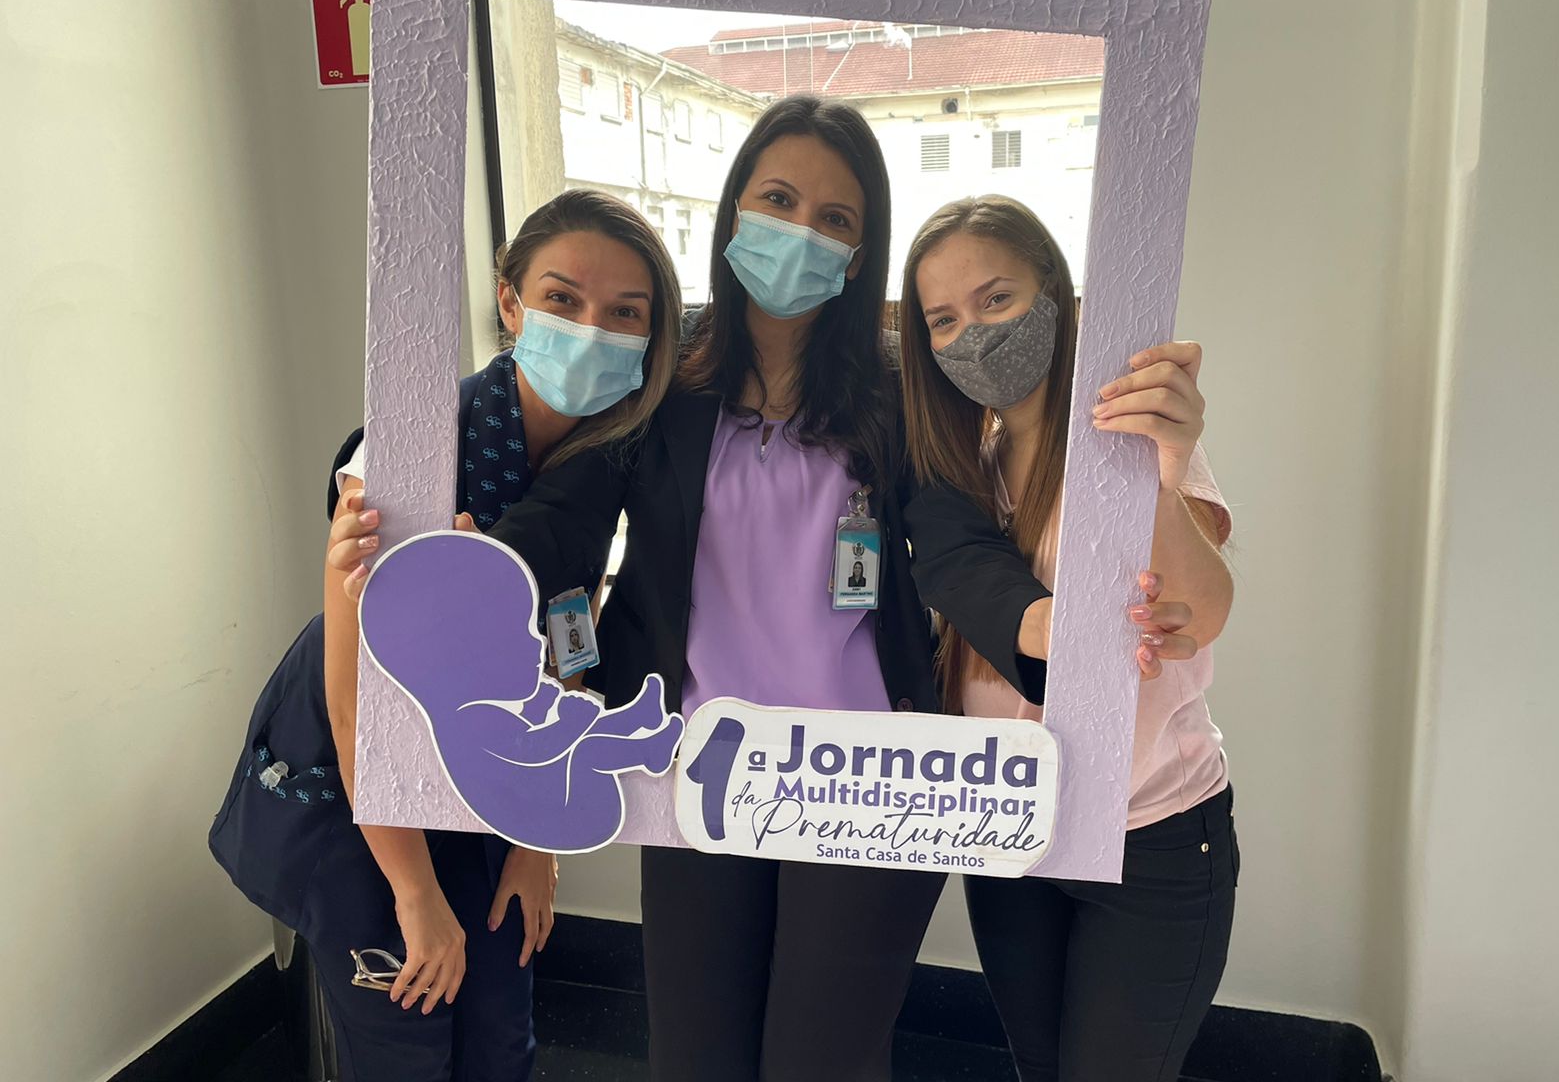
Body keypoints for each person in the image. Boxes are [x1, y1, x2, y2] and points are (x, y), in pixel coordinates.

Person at [461, 96, 1042, 1082]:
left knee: (821, 1063)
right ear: (734, 210)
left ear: (858, 256)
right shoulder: (666, 374)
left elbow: (952, 541)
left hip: (862, 773)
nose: (800, 231)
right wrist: (471, 574)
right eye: (778, 200)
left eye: (834, 217)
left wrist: (1036, 624)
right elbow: (568, 514)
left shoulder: (895, 389)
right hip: (702, 765)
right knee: (696, 1059)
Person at [210, 188, 682, 1082]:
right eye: (562, 298)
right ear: (510, 301)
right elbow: (354, 707)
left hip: (488, 773)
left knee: (500, 1036)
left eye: (626, 313)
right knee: (407, 1038)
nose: (592, 330)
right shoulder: (406, 452)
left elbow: (569, 644)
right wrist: (415, 892)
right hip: (365, 796)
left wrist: (537, 844)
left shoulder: (604, 464)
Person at [899, 195, 1238, 1082]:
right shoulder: (963, 474)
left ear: (1053, 293)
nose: (973, 335)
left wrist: (1156, 466)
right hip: (1012, 824)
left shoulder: (1134, 444)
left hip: (1148, 835)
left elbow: (1203, 608)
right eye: (944, 319)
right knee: (1037, 1065)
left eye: (997, 299)